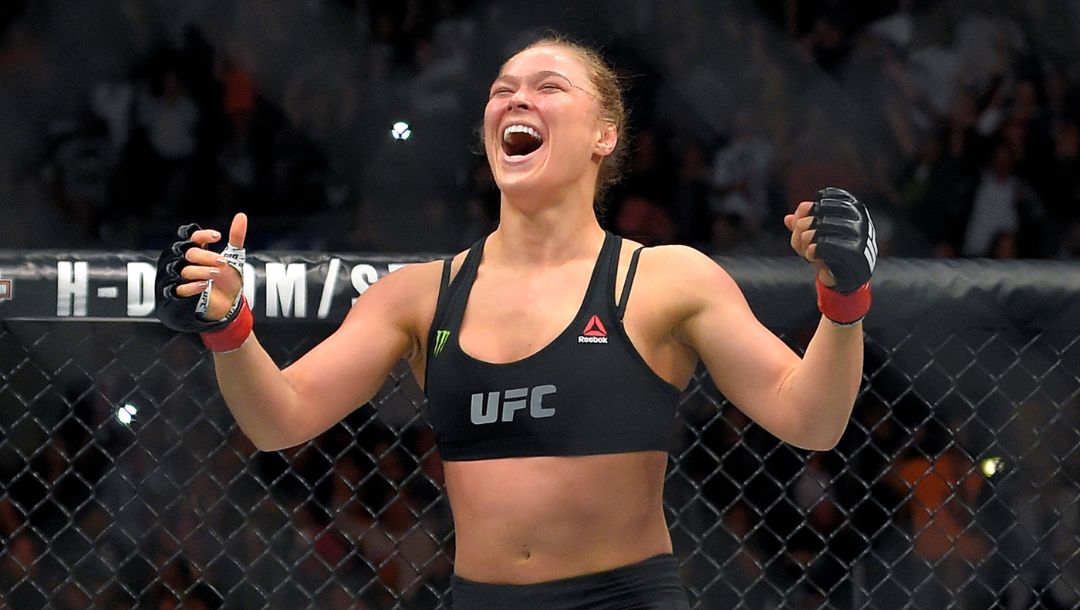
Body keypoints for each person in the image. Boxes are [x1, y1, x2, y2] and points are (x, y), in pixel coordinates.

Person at [155, 36, 877, 610]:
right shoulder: (418, 296)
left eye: (547, 87)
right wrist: (228, 328)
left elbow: (810, 421)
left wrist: (842, 301)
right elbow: (280, 419)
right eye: (502, 90)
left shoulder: (663, 281)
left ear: (603, 135)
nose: (515, 100)